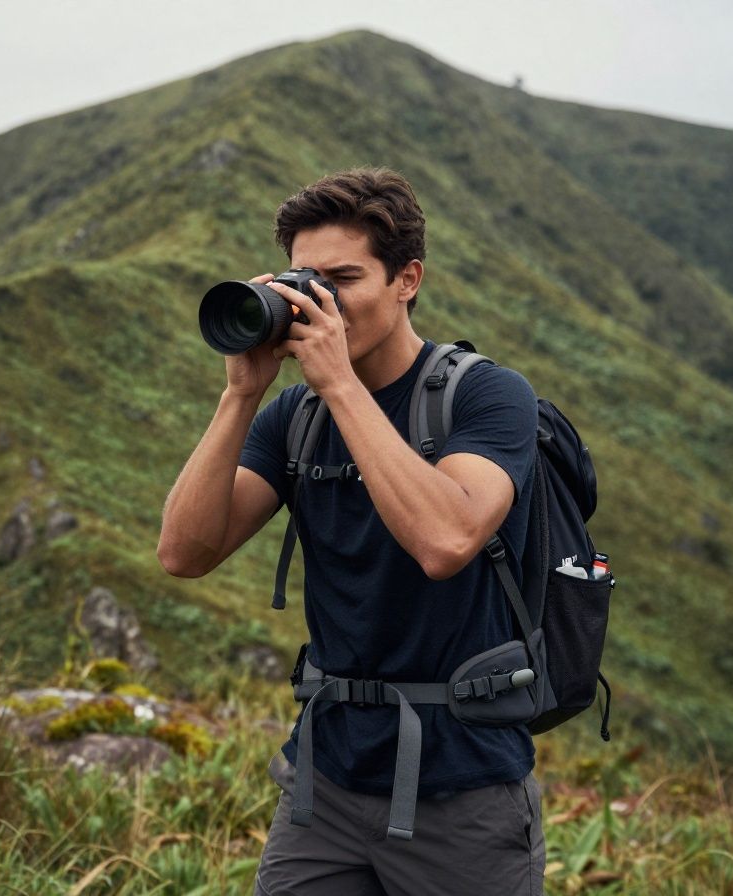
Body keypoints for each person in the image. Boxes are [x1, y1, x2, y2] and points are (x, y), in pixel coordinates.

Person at [157, 167, 544, 896]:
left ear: (408, 280)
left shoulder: (489, 395)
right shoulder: (291, 417)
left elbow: (446, 541)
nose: (320, 302)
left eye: (344, 279)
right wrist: (242, 394)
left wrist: (338, 383)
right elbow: (185, 552)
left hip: (463, 793)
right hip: (325, 785)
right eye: (306, 280)